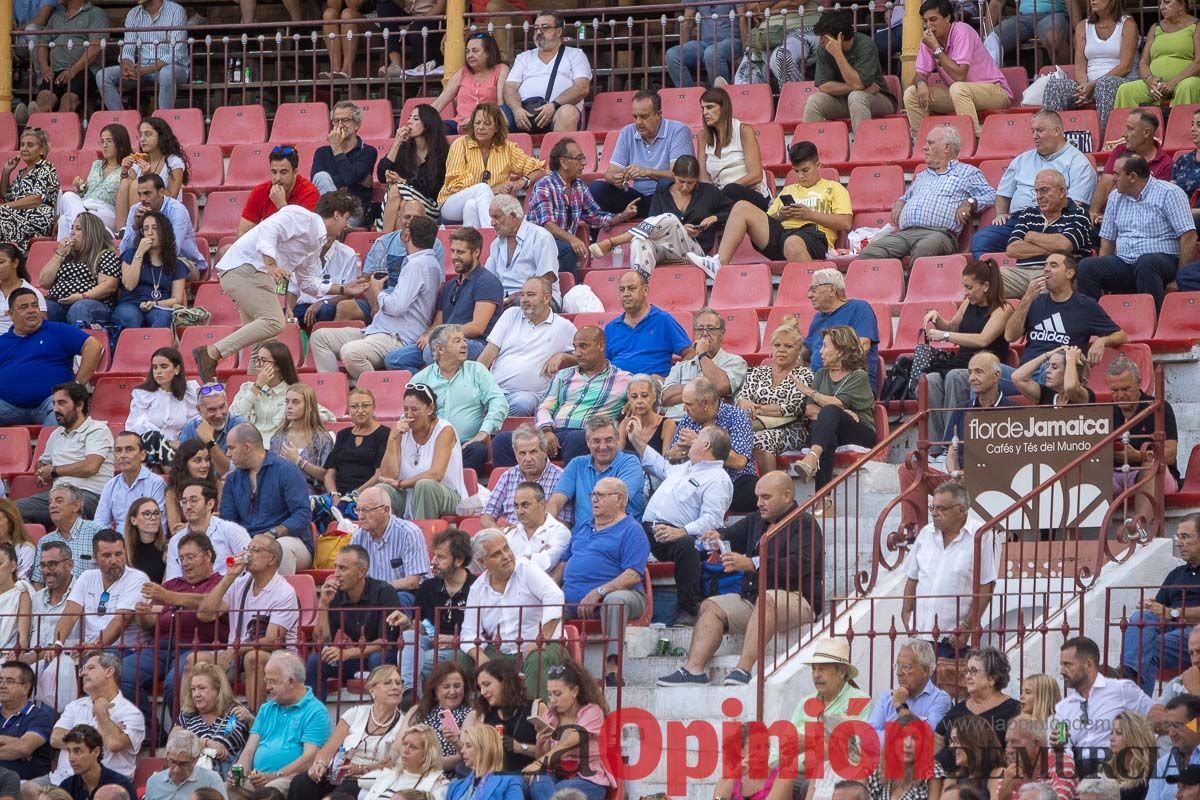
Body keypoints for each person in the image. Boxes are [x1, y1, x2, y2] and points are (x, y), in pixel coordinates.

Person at [657, 467, 820, 688]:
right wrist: (716, 537)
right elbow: (731, 535)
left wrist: (752, 564)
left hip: (798, 599)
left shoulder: (806, 524)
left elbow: (798, 565)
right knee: (711, 606)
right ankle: (693, 670)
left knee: (768, 599)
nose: (759, 503)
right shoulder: (757, 520)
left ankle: (743, 669)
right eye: (758, 497)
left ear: (787, 496)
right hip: (755, 599)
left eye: (766, 497)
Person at [194, 193, 364, 383]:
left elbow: (307, 283)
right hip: (247, 269)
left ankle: (255, 392)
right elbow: (269, 229)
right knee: (274, 322)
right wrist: (271, 264)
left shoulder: (316, 243)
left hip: (249, 274)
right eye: (347, 218)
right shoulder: (302, 216)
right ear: (336, 215)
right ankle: (212, 352)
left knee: (263, 343)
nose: (346, 225)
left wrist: (344, 289)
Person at [630, 422, 732, 626]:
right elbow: (659, 465)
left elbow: (712, 519)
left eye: (698, 436)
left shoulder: (718, 478)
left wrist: (682, 531)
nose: (693, 440)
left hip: (682, 537)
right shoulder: (685, 467)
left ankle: (689, 609)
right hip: (647, 529)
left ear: (706, 445)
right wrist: (636, 440)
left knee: (687, 546)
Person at [491, 326, 630, 469]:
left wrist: (633, 401)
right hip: (553, 433)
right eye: (575, 347)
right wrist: (546, 430)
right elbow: (544, 407)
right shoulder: (563, 375)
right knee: (503, 441)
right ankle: (514, 483)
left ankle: (571, 483)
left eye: (583, 346)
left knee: (576, 438)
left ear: (601, 346)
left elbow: (644, 393)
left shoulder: (624, 379)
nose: (577, 353)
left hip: (589, 436)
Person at [125, 530, 227, 724]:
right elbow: (151, 622)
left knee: (175, 683)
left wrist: (169, 597)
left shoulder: (220, 584)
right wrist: (142, 615)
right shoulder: (171, 584)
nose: (185, 563)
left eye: (190, 557)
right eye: (181, 558)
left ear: (208, 555)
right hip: (160, 648)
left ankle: (180, 730)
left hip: (196, 649)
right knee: (125, 673)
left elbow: (208, 603)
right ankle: (150, 732)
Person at [310, 225, 440, 373]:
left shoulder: (417, 264)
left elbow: (397, 308)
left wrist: (377, 291)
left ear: (407, 236)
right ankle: (336, 386)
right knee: (319, 337)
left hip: (396, 337)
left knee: (351, 353)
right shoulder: (429, 262)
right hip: (377, 330)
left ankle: (369, 387)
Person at [556, 477, 649, 683]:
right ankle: (561, 668)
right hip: (573, 597)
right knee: (548, 604)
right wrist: (547, 590)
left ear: (620, 499)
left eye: (601, 495)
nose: (594, 499)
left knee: (614, 601)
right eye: (593, 494)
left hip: (623, 595)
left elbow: (633, 574)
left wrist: (599, 592)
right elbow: (563, 564)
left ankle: (612, 668)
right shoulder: (582, 527)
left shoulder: (632, 530)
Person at [193, 534, 300, 712]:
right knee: (194, 659)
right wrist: (229, 577)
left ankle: (255, 721)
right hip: (236, 653)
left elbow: (271, 641)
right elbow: (205, 614)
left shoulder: (284, 592)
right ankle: (189, 720)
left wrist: (233, 650)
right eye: (247, 549)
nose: (248, 555)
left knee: (254, 657)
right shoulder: (239, 583)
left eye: (255, 550)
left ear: (272, 559)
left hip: (274, 657)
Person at [971, 111, 1098, 260]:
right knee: (981, 241)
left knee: (1060, 244)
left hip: (1057, 221)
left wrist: (1030, 239)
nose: (1035, 136)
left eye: (1040, 130)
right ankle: (1003, 274)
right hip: (1019, 221)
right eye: (1033, 131)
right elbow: (1003, 194)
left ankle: (1031, 258)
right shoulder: (1021, 160)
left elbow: (1074, 205)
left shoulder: (1079, 163)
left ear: (1057, 131)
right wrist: (1001, 213)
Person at [1079, 154, 1195, 312]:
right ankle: (1096, 319)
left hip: (1163, 262)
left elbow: (1188, 235)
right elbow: (1107, 240)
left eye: (1117, 174)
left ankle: (1153, 319)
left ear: (1132, 177)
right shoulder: (1114, 197)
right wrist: (1104, 266)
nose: (1113, 179)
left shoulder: (1169, 193)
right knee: (1087, 267)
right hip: (1125, 262)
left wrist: (1178, 278)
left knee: (1146, 262)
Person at [458, 529, 565, 698]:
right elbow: (469, 632)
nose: (506, 556)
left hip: (544, 646)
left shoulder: (526, 568)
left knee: (536, 659)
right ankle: (468, 711)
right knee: (461, 659)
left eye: (506, 548)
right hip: (501, 651)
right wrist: (481, 658)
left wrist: (541, 639)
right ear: (482, 562)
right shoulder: (477, 588)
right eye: (496, 554)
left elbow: (555, 596)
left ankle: (537, 712)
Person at [861, 126, 994, 260]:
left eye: (930, 143)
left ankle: (913, 275)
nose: (924, 147)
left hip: (938, 234)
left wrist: (970, 202)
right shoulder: (922, 175)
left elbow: (991, 195)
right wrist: (901, 201)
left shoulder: (968, 172)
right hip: (906, 233)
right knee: (869, 253)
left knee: (924, 249)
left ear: (946, 147)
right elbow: (907, 196)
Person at [590, 155, 733, 278]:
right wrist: (680, 229)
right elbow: (653, 222)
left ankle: (613, 242)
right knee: (639, 242)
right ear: (673, 176)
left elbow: (733, 209)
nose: (685, 187)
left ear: (697, 180)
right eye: (681, 181)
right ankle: (641, 285)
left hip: (695, 252)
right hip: (664, 248)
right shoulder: (662, 193)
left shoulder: (709, 192)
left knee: (670, 218)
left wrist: (714, 218)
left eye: (691, 183)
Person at [384, 226, 504, 372]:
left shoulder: (487, 282)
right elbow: (438, 322)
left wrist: (438, 335)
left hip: (475, 344)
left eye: (460, 252)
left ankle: (438, 382)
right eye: (453, 251)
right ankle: (424, 384)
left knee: (432, 351)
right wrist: (429, 334)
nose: (454, 257)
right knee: (394, 359)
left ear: (476, 252)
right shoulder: (450, 285)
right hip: (444, 340)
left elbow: (477, 327)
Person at [921, 259, 1012, 447]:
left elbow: (983, 340)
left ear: (985, 286)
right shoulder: (967, 304)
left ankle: (951, 445)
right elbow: (951, 327)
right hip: (962, 361)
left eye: (969, 287)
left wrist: (945, 336)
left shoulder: (1003, 309)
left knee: (955, 377)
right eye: (964, 287)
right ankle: (935, 448)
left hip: (985, 367)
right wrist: (937, 318)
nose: (965, 292)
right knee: (931, 380)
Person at [903, 481, 999, 655]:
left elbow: (986, 586)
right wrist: (906, 613)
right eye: (932, 508)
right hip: (919, 634)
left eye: (941, 509)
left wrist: (966, 626)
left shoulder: (981, 535)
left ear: (961, 510)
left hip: (952, 639)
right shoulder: (926, 533)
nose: (934, 513)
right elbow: (913, 577)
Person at [528, 138, 637, 281]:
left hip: (563, 242)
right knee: (568, 249)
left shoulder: (579, 186)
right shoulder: (544, 184)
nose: (584, 163)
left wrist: (623, 215)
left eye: (583, 158)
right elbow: (547, 224)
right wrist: (573, 239)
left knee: (568, 248)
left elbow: (596, 217)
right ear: (564, 162)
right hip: (537, 243)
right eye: (579, 158)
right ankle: (572, 287)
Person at [289, 665, 404, 800]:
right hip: (338, 775)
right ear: (372, 690)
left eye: (398, 683)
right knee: (301, 783)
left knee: (341, 793)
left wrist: (361, 768)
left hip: (367, 780)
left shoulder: (403, 724)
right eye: (388, 683)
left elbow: (391, 765)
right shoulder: (355, 713)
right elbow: (327, 751)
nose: (395, 687)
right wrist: (320, 764)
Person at [1006, 253, 1127, 381]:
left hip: (1056, 374)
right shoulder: (1034, 301)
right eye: (1045, 265)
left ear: (1069, 273)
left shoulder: (1086, 306)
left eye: (1053, 265)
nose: (1046, 269)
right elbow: (1010, 336)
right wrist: (1027, 298)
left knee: (1039, 374)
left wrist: (1102, 341)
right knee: (991, 365)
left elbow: (1121, 335)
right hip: (1025, 372)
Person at [227, 652, 331, 798]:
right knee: (229, 786)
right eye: (266, 681)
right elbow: (249, 750)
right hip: (258, 778)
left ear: (291, 681)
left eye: (272, 682)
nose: (267, 687)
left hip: (289, 779)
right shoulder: (266, 708)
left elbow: (309, 758)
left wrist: (274, 776)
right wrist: (238, 772)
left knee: (270, 791)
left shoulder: (315, 711)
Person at [769, 638, 874, 780]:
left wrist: (810, 742)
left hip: (830, 778)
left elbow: (852, 751)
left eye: (822, 669)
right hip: (791, 775)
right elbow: (782, 748)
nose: (816, 675)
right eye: (814, 669)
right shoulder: (805, 703)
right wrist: (768, 767)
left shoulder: (859, 701)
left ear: (842, 672)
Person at [904, 0, 1013, 136]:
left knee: (958, 88)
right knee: (911, 94)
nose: (928, 26)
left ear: (947, 18)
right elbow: (920, 74)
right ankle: (922, 140)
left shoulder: (962, 31)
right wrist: (921, 83)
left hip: (995, 91)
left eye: (933, 19)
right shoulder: (928, 41)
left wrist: (936, 48)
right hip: (960, 95)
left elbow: (959, 76)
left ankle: (974, 138)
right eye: (925, 21)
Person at [410, 325, 508, 475]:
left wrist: (484, 432)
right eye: (457, 341)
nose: (464, 345)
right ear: (440, 349)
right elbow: (409, 414)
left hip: (465, 446)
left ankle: (448, 481)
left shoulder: (477, 371)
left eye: (464, 340)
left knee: (478, 450)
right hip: (430, 447)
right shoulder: (421, 379)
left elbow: (499, 402)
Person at [792, 326, 879, 496]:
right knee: (828, 436)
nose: (820, 352)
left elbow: (835, 403)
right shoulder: (821, 374)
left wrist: (809, 392)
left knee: (830, 411)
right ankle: (823, 499)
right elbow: (809, 410)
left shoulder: (858, 376)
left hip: (859, 431)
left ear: (840, 351)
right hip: (830, 431)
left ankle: (811, 458)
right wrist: (837, 414)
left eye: (825, 346)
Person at [306, 547, 400, 702]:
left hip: (384, 656)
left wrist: (347, 653)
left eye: (343, 568)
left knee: (377, 658)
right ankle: (314, 714)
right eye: (336, 567)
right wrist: (323, 605)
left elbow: (386, 642)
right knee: (316, 662)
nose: (336, 574)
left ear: (361, 571)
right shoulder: (335, 595)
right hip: (357, 657)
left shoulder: (384, 592)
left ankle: (382, 710)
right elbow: (321, 641)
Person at [1120, 513, 1198, 694]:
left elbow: (1168, 612)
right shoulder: (1176, 574)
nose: (1179, 543)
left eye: (1185, 537)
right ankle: (1129, 675)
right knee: (1142, 619)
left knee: (1145, 649)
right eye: (1178, 537)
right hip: (1175, 631)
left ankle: (1131, 687)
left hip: (1195, 631)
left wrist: (1172, 613)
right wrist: (1150, 607)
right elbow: (1160, 610)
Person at [220, 424, 313, 575]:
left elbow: (302, 515)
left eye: (231, 448)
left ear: (247, 447)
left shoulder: (287, 471)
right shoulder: (232, 480)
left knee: (279, 549)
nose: (227, 454)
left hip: (288, 540)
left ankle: (279, 591)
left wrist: (272, 533)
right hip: (247, 543)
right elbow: (228, 522)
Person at [1055, 636, 1160, 769]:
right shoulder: (1062, 708)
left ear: (1088, 664)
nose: (1062, 671)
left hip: (1119, 769)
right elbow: (1063, 745)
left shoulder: (1122, 689)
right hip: (1080, 772)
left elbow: (1156, 716)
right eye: (1062, 665)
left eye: (1068, 665)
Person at [18, 383, 113, 527]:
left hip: (90, 496)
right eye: (54, 404)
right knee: (9, 512)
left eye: (62, 403)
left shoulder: (98, 430)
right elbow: (42, 462)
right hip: (57, 495)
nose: (55, 409)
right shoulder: (55, 434)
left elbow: (91, 467)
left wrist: (54, 471)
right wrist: (41, 470)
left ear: (79, 405)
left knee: (66, 507)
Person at [478, 278, 576, 417]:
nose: (524, 299)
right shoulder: (510, 314)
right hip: (495, 391)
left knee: (522, 404)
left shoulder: (563, 326)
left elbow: (584, 357)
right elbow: (489, 353)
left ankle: (490, 416)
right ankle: (491, 414)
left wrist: (563, 356)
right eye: (522, 294)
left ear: (547, 298)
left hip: (528, 395)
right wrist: (473, 382)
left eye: (530, 294)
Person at [437, 104, 547, 229]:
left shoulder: (507, 148)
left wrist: (520, 183)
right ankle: (492, 233)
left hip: (483, 203)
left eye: (487, 124)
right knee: (482, 189)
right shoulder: (460, 144)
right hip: (451, 203)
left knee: (471, 205)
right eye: (477, 123)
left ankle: (475, 239)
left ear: (497, 127)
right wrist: (493, 190)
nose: (480, 127)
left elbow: (540, 170)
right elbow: (456, 184)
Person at [590, 90, 695, 217]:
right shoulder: (627, 132)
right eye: (635, 117)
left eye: (644, 117)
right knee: (596, 188)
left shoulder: (678, 131)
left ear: (658, 114)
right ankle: (607, 226)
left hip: (667, 198)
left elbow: (681, 175)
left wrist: (647, 172)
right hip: (638, 198)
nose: (638, 122)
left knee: (665, 183)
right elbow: (610, 172)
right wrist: (616, 178)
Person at [48, 653, 145, 785]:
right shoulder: (74, 706)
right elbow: (55, 738)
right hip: (60, 780)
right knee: (27, 788)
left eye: (90, 668)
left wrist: (101, 712)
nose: (83, 673)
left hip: (105, 786)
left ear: (109, 672)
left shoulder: (131, 713)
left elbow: (113, 743)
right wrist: (100, 734)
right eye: (83, 669)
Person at [524, 660, 615, 800]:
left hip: (588, 778)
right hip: (556, 775)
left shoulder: (592, 712)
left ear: (575, 691)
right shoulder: (550, 715)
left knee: (563, 791)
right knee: (537, 781)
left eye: (558, 694)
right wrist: (541, 742)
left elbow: (569, 743)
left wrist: (539, 762)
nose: (552, 700)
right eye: (549, 694)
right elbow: (543, 759)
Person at [397, 528, 474, 692]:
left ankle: (411, 699)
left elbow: (488, 634)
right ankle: (409, 692)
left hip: (463, 648)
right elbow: (420, 627)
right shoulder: (428, 587)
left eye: (441, 557)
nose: (433, 562)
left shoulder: (477, 587)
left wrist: (457, 639)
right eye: (434, 556)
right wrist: (407, 624)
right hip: (432, 643)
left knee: (417, 662)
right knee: (409, 637)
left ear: (459, 560)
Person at [1042, 0, 1137, 133]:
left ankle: (1105, 137)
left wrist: (1094, 84)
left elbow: (1125, 66)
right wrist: (1084, 87)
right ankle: (1052, 137)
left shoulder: (1128, 24)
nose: (1092, 0)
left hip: (1120, 82)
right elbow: (1080, 66)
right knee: (1055, 86)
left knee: (1105, 85)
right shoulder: (1083, 26)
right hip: (1089, 85)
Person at [1109, 357, 1182, 527]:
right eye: (1114, 390)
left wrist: (1138, 455)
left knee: (1150, 464)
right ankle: (1075, 536)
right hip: (1115, 474)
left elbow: (1170, 454)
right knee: (1086, 471)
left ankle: (1138, 530)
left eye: (1125, 389)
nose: (1120, 395)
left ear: (1139, 382)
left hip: (1157, 475)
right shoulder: (1107, 411)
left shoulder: (1159, 408)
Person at [735, 324, 815, 475]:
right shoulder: (757, 372)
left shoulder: (804, 374)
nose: (781, 349)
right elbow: (742, 399)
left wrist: (755, 408)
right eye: (777, 345)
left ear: (798, 351)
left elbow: (794, 407)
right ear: (771, 349)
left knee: (759, 439)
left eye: (788, 346)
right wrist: (744, 403)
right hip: (753, 425)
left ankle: (770, 486)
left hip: (790, 429)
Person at [1002, 170, 1094, 298]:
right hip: (1020, 273)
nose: (1039, 196)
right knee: (988, 281)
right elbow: (1012, 250)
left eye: (1044, 190)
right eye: (1037, 191)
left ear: (1061, 192)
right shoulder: (1029, 213)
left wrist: (1031, 236)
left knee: (1050, 285)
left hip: (1056, 272)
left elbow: (1064, 245)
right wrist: (1053, 248)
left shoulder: (1079, 214)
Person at [802, 10, 896, 130]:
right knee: (814, 100)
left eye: (824, 37)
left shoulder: (865, 44)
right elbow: (824, 86)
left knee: (857, 97)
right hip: (844, 99)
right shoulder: (823, 48)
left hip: (877, 97)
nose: (820, 41)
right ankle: (808, 141)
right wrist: (857, 87)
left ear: (840, 37)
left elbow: (857, 84)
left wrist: (838, 55)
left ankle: (862, 142)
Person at [547, 417, 645, 529]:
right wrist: (544, 529)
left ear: (617, 439)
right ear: (588, 442)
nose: (603, 447)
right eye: (596, 441)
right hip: (581, 536)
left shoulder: (630, 463)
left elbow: (616, 502)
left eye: (608, 440)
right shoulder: (576, 464)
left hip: (618, 534)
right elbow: (556, 502)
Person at [502, 12, 591, 134]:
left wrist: (554, 105)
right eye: (536, 28)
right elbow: (509, 87)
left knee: (568, 113)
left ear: (558, 31)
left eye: (545, 27)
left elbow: (582, 88)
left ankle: (559, 148)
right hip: (524, 113)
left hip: (557, 111)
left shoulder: (575, 55)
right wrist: (517, 110)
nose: (539, 32)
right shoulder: (523, 57)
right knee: (492, 115)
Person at [934, 649, 1021, 765]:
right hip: (944, 773)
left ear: (992, 678)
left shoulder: (1014, 710)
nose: (967, 676)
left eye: (973, 671)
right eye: (967, 671)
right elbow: (937, 742)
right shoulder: (958, 709)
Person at [98, 0, 188, 111]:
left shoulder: (176, 11)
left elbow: (176, 54)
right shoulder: (133, 13)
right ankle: (120, 118)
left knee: (167, 73)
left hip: (173, 69)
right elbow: (128, 49)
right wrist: (127, 66)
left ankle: (164, 117)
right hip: (141, 71)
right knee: (102, 75)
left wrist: (146, 70)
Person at [346, 486, 430, 601]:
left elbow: (413, 582)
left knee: (397, 599)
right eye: (358, 510)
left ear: (385, 510)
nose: (360, 516)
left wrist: (380, 590)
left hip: (404, 593)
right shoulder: (358, 537)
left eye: (366, 510)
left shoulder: (409, 533)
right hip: (371, 596)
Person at [115, 174, 206, 280]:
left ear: (161, 192)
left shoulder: (177, 210)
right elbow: (124, 251)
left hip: (183, 261)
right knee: (121, 267)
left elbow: (173, 251)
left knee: (172, 267)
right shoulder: (136, 209)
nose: (142, 199)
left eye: (147, 193)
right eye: (140, 194)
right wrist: (136, 227)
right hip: (148, 261)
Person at [604, 270, 692, 377]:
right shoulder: (611, 328)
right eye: (622, 290)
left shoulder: (663, 321)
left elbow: (690, 354)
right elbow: (602, 365)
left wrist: (672, 378)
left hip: (653, 384)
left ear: (645, 290)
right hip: (618, 384)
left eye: (631, 288)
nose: (626, 294)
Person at [38, 212, 121, 327]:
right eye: (72, 228)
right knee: (44, 308)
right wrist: (59, 255)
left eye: (78, 229)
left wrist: (82, 296)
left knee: (79, 308)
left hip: (92, 304)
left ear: (91, 233)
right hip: (58, 303)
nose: (72, 232)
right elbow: (44, 283)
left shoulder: (104, 255)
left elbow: (109, 286)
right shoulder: (65, 255)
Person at [1092, 110, 1175, 222]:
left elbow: (1155, 203)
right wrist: (1094, 211)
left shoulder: (1166, 164)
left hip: (1141, 221)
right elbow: (1106, 183)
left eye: (1130, 129)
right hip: (1109, 216)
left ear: (1146, 133)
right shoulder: (1120, 150)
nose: (1124, 134)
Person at [1114, 0, 1200, 109]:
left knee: (1189, 86)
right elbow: (1143, 62)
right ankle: (1132, 121)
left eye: (1167, 2)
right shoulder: (1155, 27)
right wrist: (1150, 81)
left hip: (1184, 82)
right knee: (1125, 90)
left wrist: (1172, 83)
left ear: (1181, 4)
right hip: (1156, 86)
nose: (1162, 7)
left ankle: (1181, 120)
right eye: (1160, 3)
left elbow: (1198, 62)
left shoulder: (1197, 26)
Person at [462, 659, 543, 772]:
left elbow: (551, 752)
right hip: (495, 776)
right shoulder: (485, 713)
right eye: (480, 687)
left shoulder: (536, 707)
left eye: (487, 684)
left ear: (505, 682)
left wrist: (520, 747)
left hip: (529, 775)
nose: (483, 692)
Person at [30, 0, 108, 115]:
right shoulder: (56, 16)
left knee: (68, 101)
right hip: (55, 71)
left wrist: (73, 70)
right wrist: (44, 67)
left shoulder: (95, 14)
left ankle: (54, 124)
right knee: (44, 99)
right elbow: (43, 43)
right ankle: (32, 120)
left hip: (84, 70)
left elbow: (96, 47)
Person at [175, 663, 252, 779]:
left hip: (225, 778)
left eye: (202, 688)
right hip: (191, 778)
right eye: (193, 689)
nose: (196, 694)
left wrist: (250, 719)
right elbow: (173, 743)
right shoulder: (187, 714)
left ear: (218, 689)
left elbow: (227, 740)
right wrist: (205, 743)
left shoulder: (234, 713)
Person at [377, 107, 450, 229]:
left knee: (395, 189)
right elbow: (381, 176)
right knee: (403, 204)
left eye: (415, 119)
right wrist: (396, 143)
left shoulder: (442, 152)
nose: (409, 122)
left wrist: (403, 181)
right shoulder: (404, 149)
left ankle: (385, 238)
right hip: (405, 205)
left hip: (430, 206)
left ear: (428, 123)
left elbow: (433, 189)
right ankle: (395, 239)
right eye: (409, 118)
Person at [697, 87, 770, 208]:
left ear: (724, 108)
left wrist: (724, 192)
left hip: (750, 193)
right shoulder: (703, 137)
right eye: (702, 108)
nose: (705, 113)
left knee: (731, 190)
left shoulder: (744, 131)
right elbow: (703, 178)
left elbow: (756, 175)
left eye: (709, 107)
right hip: (720, 196)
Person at [164, 480, 250, 583]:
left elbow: (250, 564)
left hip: (229, 589)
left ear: (210, 504)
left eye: (193, 500)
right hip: (189, 591)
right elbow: (173, 581)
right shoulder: (175, 541)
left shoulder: (231, 530)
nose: (188, 507)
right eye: (184, 502)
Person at [55, 125, 133, 237]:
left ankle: (82, 234)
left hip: (107, 211)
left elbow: (127, 196)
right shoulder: (96, 164)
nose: (104, 146)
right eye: (102, 141)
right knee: (66, 203)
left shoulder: (129, 168)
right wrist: (80, 187)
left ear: (120, 144)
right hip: (84, 206)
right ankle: (90, 232)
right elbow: (86, 191)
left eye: (109, 141)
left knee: (65, 217)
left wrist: (125, 171)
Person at [25, 541, 77, 707]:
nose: (47, 571)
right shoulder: (36, 598)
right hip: (30, 663)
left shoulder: (81, 595)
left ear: (69, 565)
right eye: (43, 565)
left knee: (56, 669)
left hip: (64, 661)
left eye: (52, 564)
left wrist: (38, 655)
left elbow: (82, 640)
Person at [481, 426, 563, 530]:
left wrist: (524, 532)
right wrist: (500, 532)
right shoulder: (508, 476)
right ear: (515, 454)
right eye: (522, 453)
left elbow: (564, 522)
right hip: (509, 536)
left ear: (544, 452)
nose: (528, 459)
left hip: (545, 535)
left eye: (533, 452)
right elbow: (487, 515)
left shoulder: (561, 478)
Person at [485, 196, 561, 307]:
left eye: (496, 217)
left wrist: (521, 294)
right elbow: (488, 278)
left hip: (541, 297)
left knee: (522, 301)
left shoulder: (540, 237)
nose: (492, 223)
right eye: (491, 218)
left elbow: (547, 277)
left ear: (513, 216)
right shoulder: (496, 244)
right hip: (505, 299)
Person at [867, 640, 953, 737]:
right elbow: (869, 736)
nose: (899, 673)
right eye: (897, 666)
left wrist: (900, 706)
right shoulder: (887, 698)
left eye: (906, 667)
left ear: (924, 670)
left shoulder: (940, 699)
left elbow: (928, 735)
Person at [229, 342, 311, 442]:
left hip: (278, 445)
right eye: (257, 359)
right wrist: (257, 386)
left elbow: (320, 414)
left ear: (277, 366)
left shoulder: (292, 393)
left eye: (263, 360)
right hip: (249, 443)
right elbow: (233, 417)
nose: (257, 365)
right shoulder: (248, 388)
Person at [399, 661, 471, 772]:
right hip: (410, 770)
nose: (452, 692)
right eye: (446, 687)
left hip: (443, 774)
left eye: (457, 686)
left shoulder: (470, 714)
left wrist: (425, 764)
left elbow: (464, 756)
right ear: (435, 690)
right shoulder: (418, 711)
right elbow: (398, 745)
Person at [431, 34, 508, 136]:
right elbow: (441, 101)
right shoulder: (463, 72)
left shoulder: (501, 69)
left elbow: (501, 104)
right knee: (436, 130)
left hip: (487, 123)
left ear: (488, 53)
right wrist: (422, 119)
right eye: (467, 51)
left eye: (475, 51)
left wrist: (476, 120)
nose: (470, 55)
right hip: (460, 124)